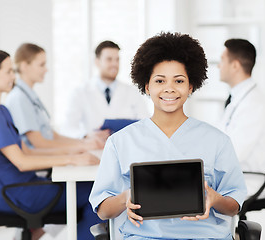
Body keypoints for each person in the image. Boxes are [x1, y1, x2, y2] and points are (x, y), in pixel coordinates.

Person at [89, 32, 247, 240]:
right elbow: (103, 210)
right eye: (160, 81)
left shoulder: (217, 141)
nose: (169, 89)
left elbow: (234, 206)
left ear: (191, 86)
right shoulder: (120, 142)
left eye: (179, 81)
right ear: (147, 86)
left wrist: (216, 199)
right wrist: (126, 198)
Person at [0, 49, 103, 240]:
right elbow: (22, 162)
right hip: (18, 193)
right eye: (8, 72)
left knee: (91, 188)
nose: (13, 77)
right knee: (97, 194)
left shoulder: (0, 110)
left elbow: (26, 152)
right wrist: (72, 158)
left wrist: (76, 154)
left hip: (25, 187)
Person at [5, 43, 109, 152]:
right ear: (24, 66)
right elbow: (38, 143)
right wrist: (83, 147)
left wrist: (85, 141)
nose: (46, 70)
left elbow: (54, 136)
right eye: (41, 65)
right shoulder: (19, 98)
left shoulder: (29, 96)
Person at [217, 38, 265, 202]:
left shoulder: (254, 104)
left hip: (250, 180)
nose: (218, 66)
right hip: (236, 175)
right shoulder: (239, 98)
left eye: (222, 60)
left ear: (235, 65)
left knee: (191, 192)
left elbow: (235, 154)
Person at [61, 40, 150, 138]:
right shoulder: (80, 92)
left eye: (117, 59)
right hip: (94, 149)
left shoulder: (132, 92)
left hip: (125, 148)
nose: (114, 64)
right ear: (97, 62)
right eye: (109, 59)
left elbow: (145, 124)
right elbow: (68, 128)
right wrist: (86, 135)